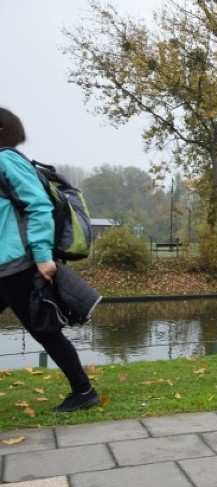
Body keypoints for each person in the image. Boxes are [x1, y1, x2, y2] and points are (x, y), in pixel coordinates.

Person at [0, 107, 99, 412]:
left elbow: (40, 206)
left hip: (19, 264)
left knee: (44, 331)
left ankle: (84, 391)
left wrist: (43, 257)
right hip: (6, 265)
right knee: (45, 330)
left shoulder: (5, 159)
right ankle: (83, 391)